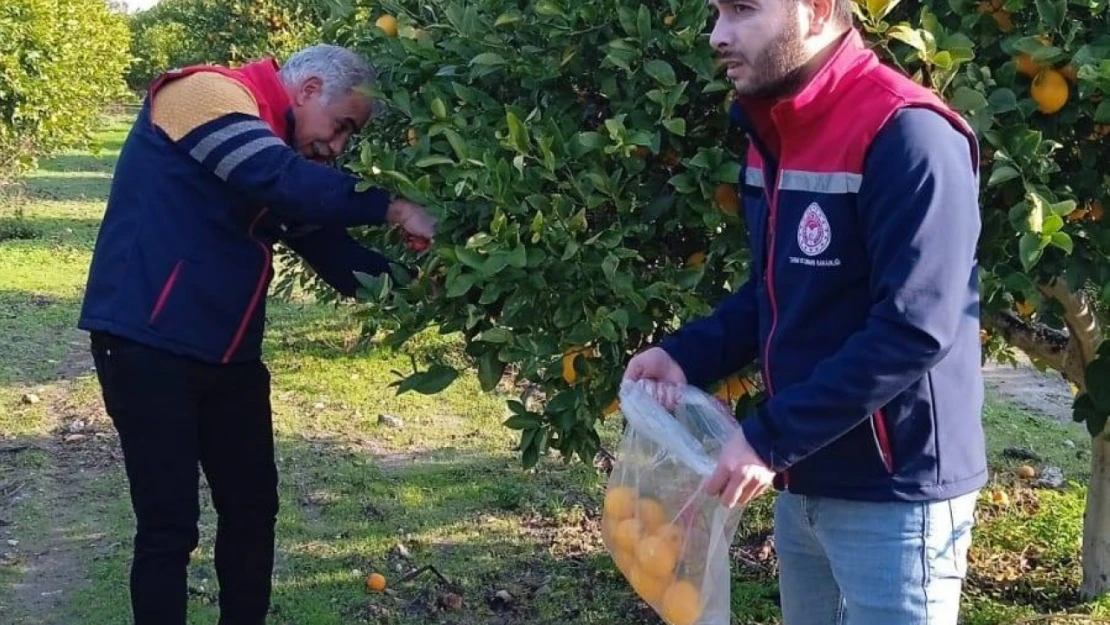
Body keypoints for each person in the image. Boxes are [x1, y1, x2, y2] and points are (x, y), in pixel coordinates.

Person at [623, 0, 986, 623]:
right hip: (803, 478)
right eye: (716, 12)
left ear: (817, 11)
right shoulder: (775, 131)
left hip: (893, 497)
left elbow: (915, 328)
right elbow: (776, 291)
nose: (718, 35)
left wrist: (768, 438)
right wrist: (685, 355)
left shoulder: (907, 133)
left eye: (742, 11)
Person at [77, 44, 434, 625]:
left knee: (251, 510)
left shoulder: (277, 153)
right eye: (342, 127)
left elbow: (333, 251)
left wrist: (428, 286)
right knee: (169, 526)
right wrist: (393, 207)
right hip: (147, 343)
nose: (338, 148)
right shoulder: (205, 94)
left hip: (228, 356)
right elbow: (277, 179)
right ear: (310, 87)